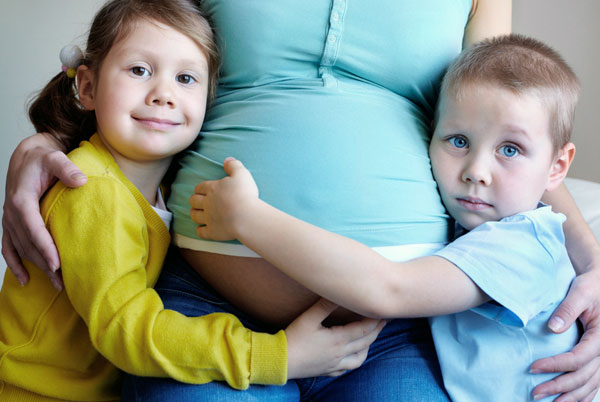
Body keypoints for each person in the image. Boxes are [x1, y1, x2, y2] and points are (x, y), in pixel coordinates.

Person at [3, 0, 600, 400]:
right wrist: (49, 141)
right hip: (208, 304)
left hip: (392, 330)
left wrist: (593, 264)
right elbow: (153, 70)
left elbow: (507, 125)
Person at [0, 0, 383, 401]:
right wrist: (277, 356)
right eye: (139, 70)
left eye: (185, 79)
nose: (163, 94)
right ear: (88, 87)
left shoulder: (162, 187)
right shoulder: (93, 191)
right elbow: (128, 331)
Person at [191, 34, 581, 401]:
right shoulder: (472, 224)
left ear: (557, 166)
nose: (476, 171)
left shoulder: (524, 247)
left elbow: (389, 289)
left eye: (510, 150)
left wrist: (247, 219)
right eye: (459, 141)